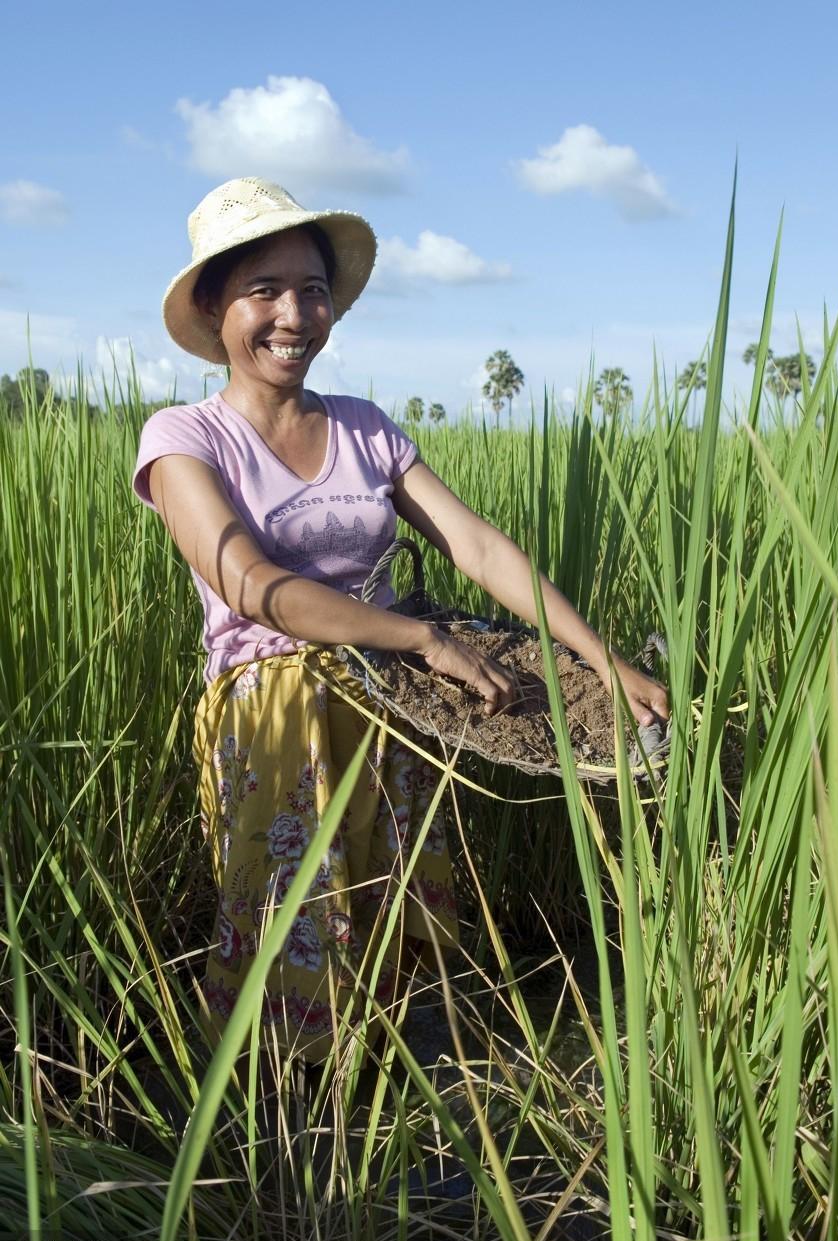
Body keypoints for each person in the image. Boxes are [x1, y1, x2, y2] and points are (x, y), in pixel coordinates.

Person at [132, 177, 668, 1068]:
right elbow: (253, 584)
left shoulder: (366, 430)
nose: (293, 314)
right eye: (263, 291)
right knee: (290, 910)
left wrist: (603, 662)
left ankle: (401, 1095)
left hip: (396, 707)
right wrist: (421, 638)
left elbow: (479, 549)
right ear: (217, 308)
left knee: (393, 901)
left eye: (311, 289)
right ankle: (289, 1124)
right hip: (277, 715)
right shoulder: (185, 438)